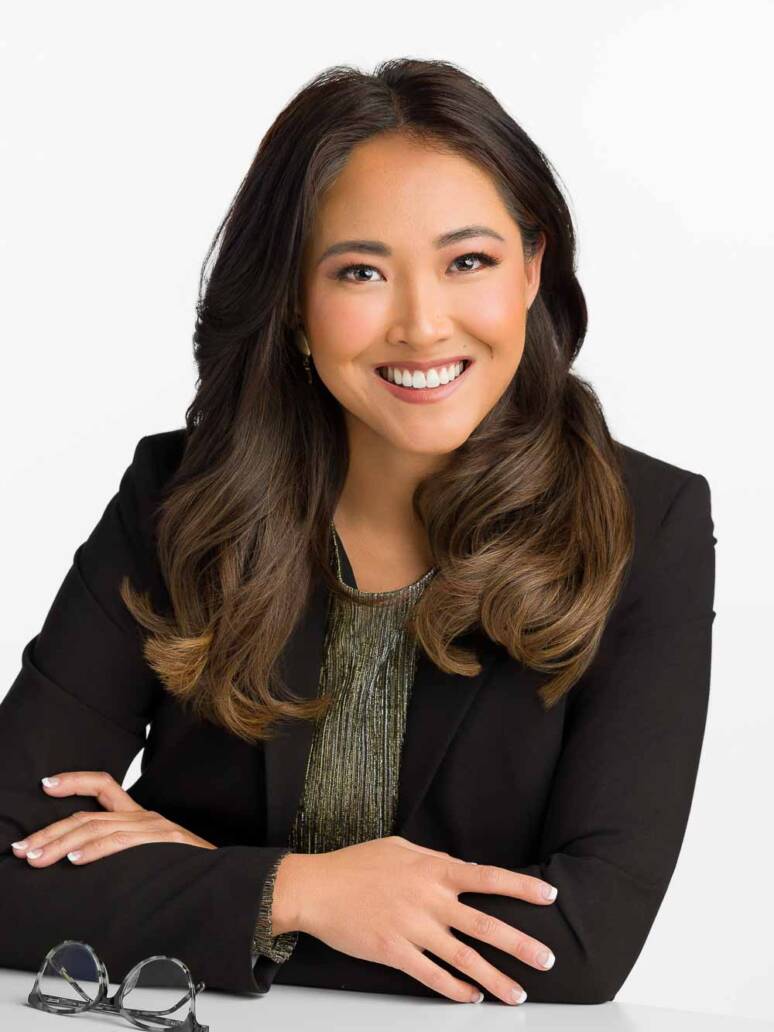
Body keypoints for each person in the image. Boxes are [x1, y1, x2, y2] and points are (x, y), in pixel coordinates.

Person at [0, 57, 716, 1009]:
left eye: (469, 261)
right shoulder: (180, 497)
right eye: (361, 272)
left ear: (533, 270)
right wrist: (294, 891)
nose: (422, 325)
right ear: (294, 302)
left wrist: (213, 885)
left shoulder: (647, 525)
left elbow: (579, 946)